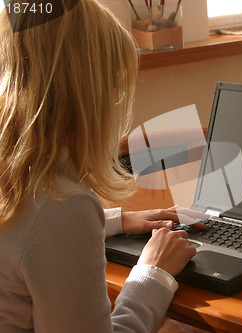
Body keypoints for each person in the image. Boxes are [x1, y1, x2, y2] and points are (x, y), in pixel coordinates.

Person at [0, 0, 206, 332]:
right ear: (87, 94)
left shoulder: (16, 173)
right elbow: (49, 223)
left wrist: (115, 221)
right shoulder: (62, 206)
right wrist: (152, 272)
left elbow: (27, 232)